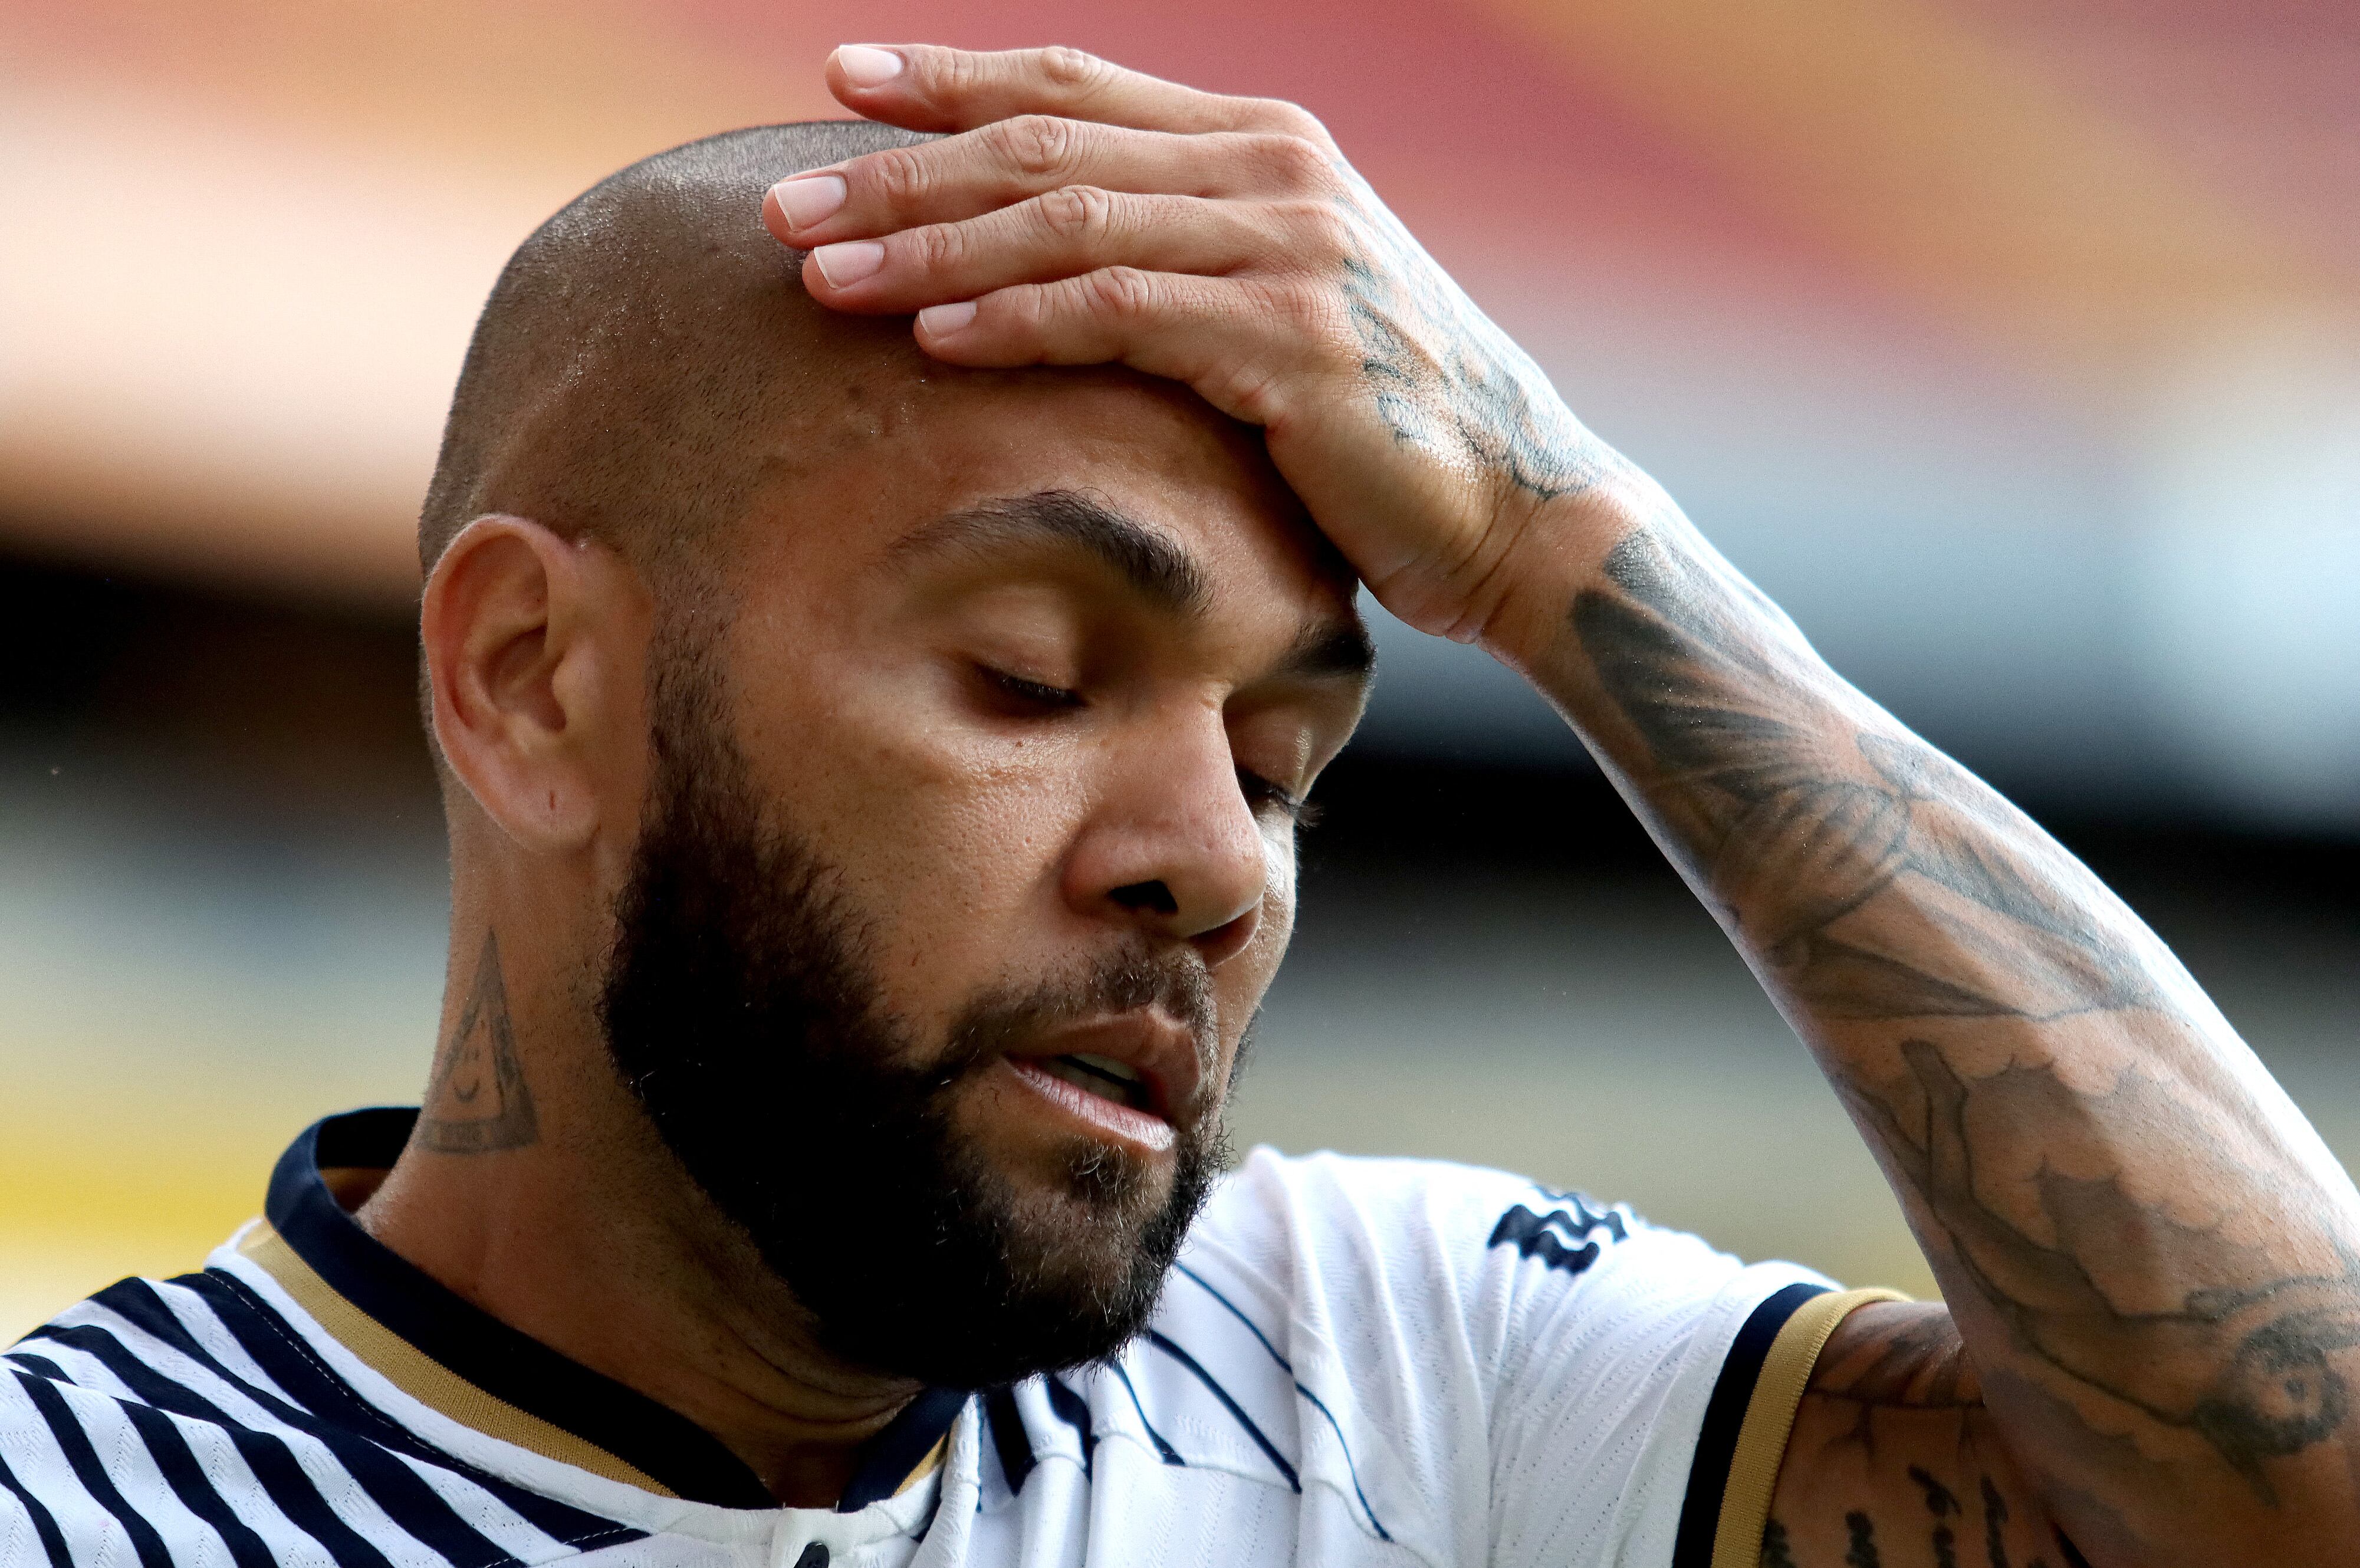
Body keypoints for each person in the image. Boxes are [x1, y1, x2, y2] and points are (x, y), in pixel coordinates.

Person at [5, 41, 2354, 1568]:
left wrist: (1570, 549)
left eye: (1281, 760)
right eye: (1032, 674)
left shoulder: (1407, 1367)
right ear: (533, 680)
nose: (1217, 863)